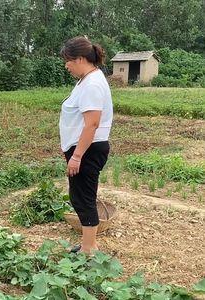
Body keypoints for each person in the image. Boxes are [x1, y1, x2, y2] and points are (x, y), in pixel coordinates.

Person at [59, 36, 113, 255]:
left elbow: (92, 124)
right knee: (80, 195)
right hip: (84, 147)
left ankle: (89, 248)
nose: (66, 65)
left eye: (68, 60)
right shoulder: (88, 79)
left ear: (80, 59)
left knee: (83, 197)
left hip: (88, 149)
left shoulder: (92, 84)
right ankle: (88, 243)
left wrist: (77, 156)